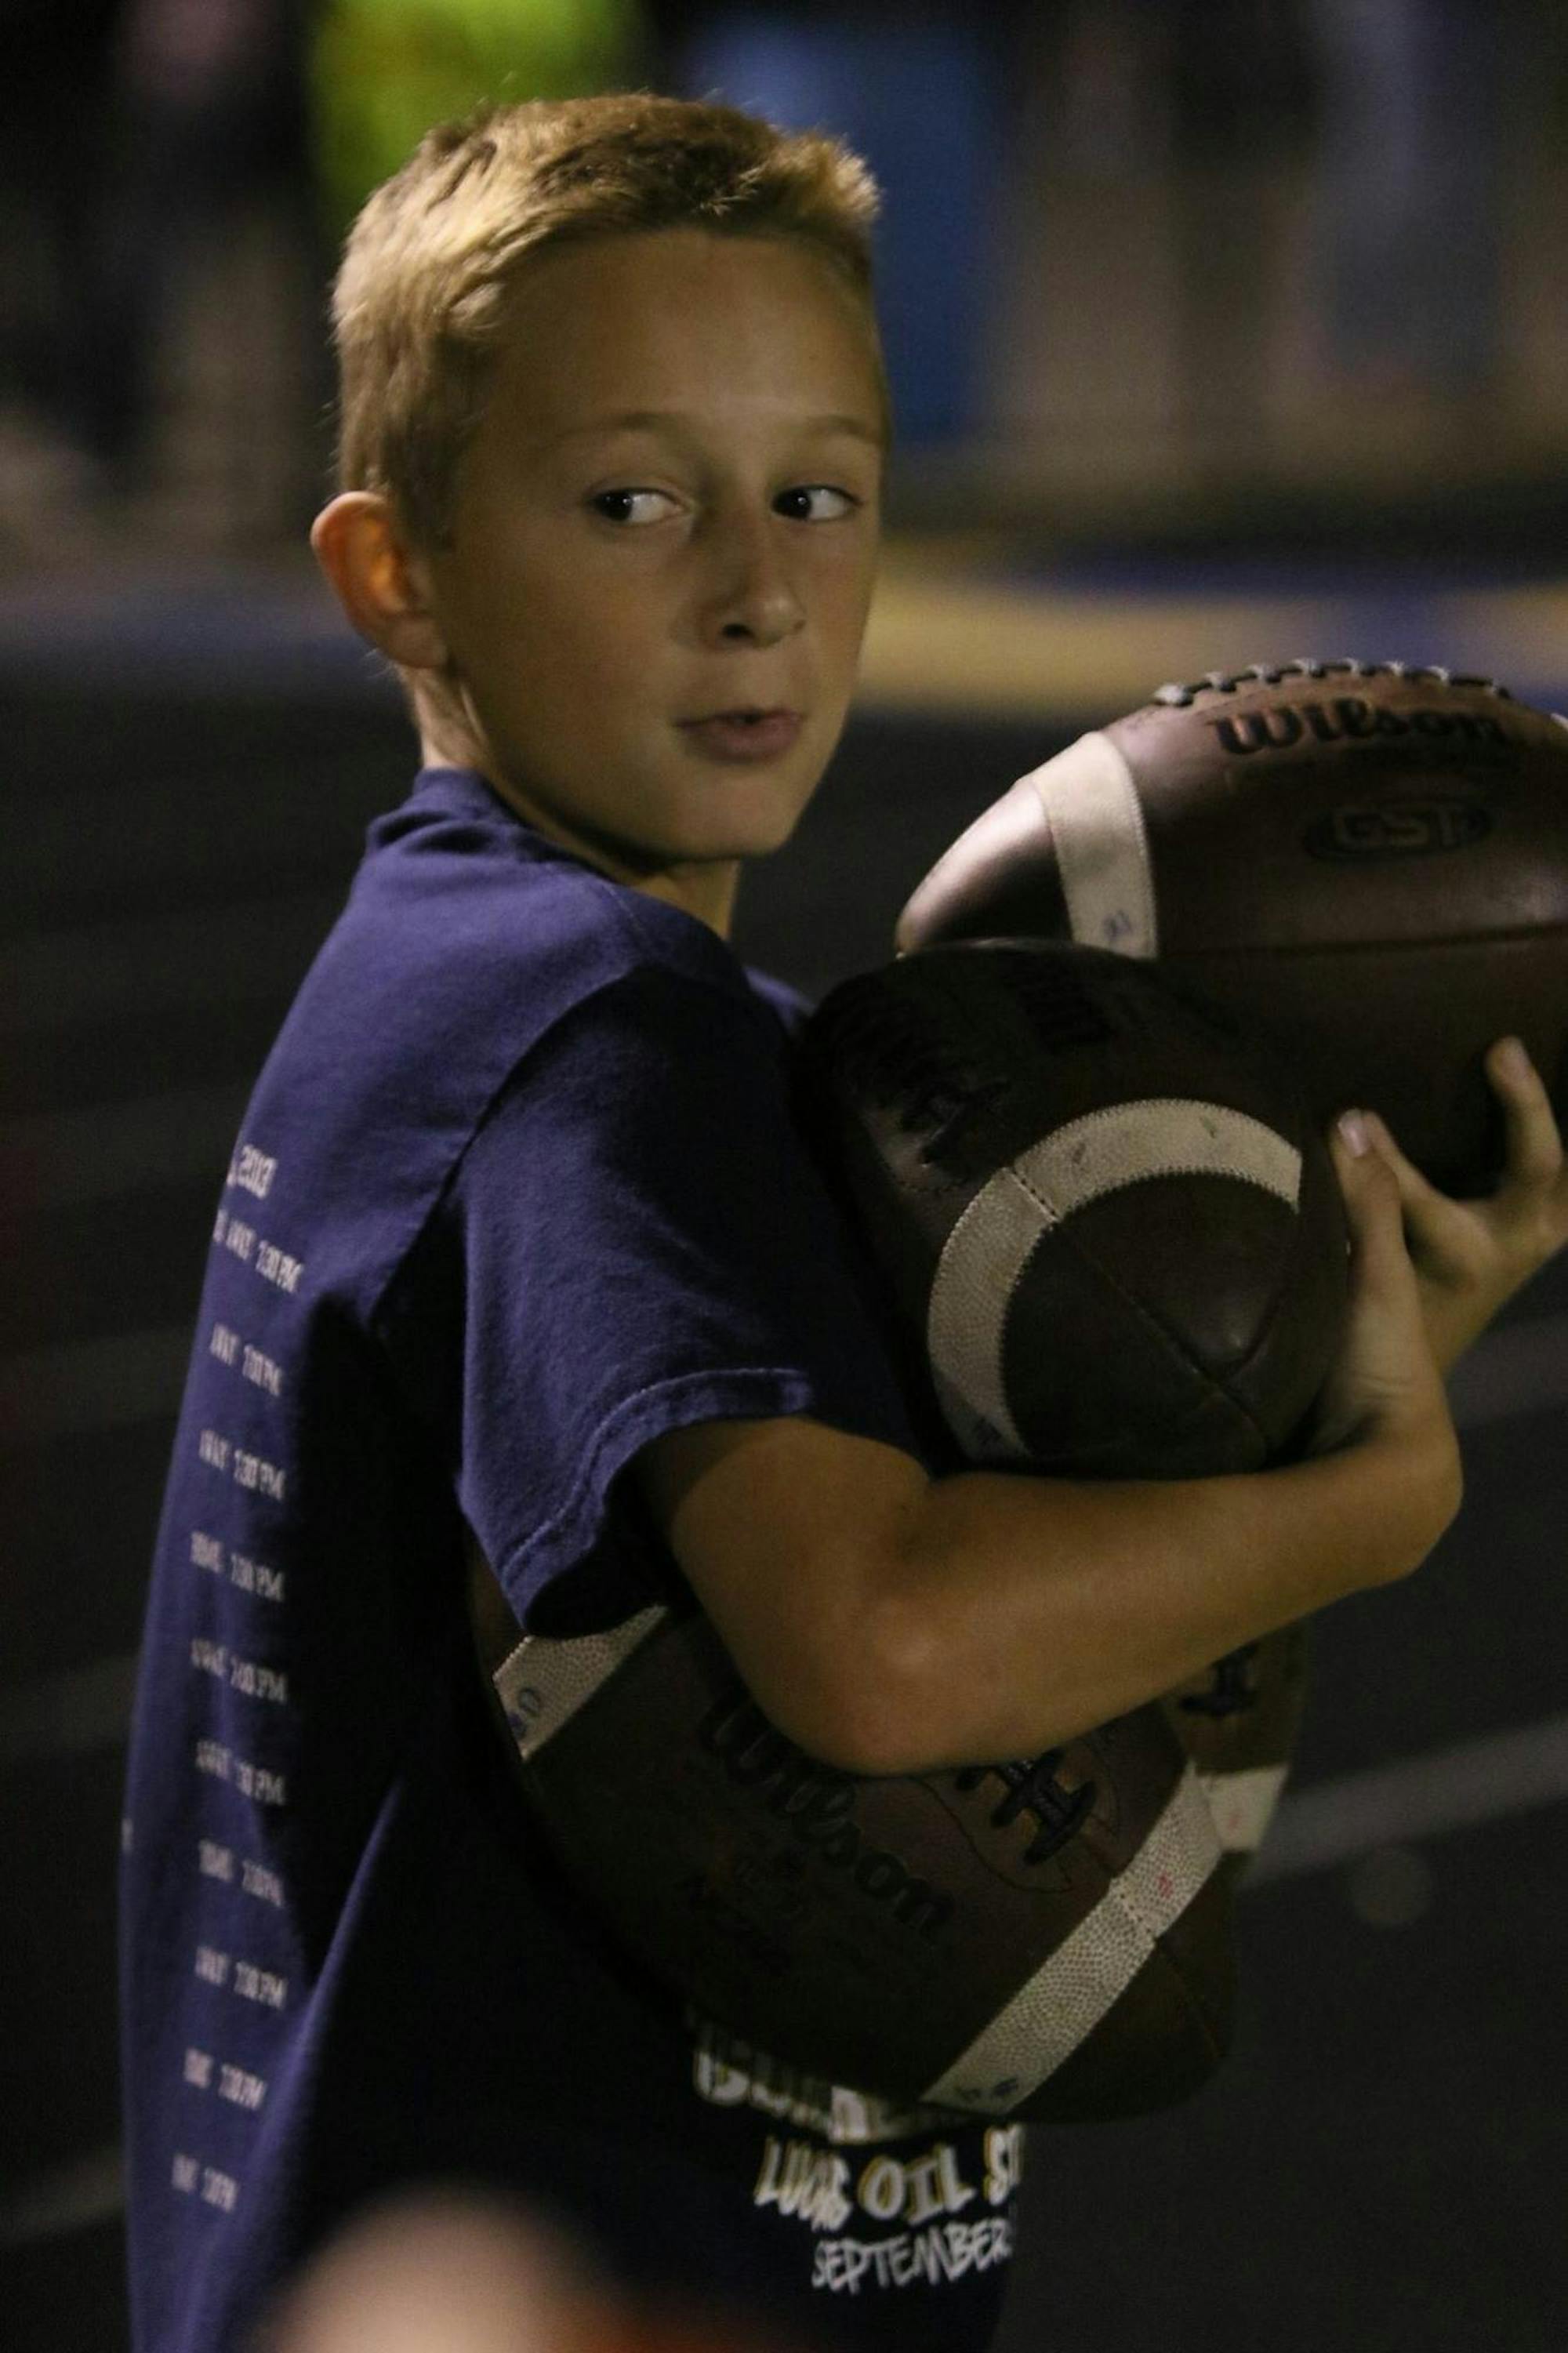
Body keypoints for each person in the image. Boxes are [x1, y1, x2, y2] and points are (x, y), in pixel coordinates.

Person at [118, 90, 1568, 2353]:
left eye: (819, 493)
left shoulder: (475, 993)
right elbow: (881, 1650)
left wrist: (1338, 1362)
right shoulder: (598, 1046)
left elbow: (1048, 1626)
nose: (754, 585)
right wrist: (1378, 1498)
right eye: (632, 502)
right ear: (394, 572)